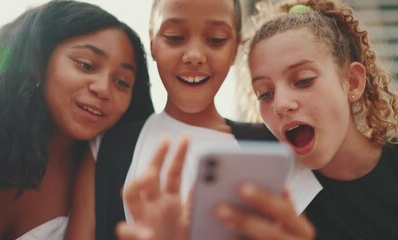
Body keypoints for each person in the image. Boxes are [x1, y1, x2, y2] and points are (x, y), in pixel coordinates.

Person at [117, 0, 398, 239]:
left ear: (352, 82)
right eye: (265, 94)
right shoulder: (265, 196)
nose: (281, 105)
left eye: (303, 80)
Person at [66, 0, 321, 239]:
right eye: (175, 37)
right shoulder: (109, 148)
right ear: (152, 42)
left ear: (235, 49)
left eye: (216, 39)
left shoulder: (273, 149)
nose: (195, 55)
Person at [0, 1, 153, 239]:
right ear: (39, 62)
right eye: (86, 65)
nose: (103, 89)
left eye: (122, 82)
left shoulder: (106, 176)